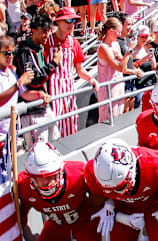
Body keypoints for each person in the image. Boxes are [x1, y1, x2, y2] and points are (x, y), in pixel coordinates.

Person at [46, 7, 100, 138]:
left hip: (68, 89)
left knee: (71, 123)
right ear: (58, 22)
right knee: (54, 128)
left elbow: (79, 70)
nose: (71, 24)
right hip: (51, 90)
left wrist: (91, 79)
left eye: (73, 21)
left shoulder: (74, 43)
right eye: (67, 20)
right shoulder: (47, 41)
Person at [15, 14, 61, 147]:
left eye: (48, 32)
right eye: (43, 32)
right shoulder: (26, 52)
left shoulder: (39, 49)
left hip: (43, 107)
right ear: (33, 31)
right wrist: (54, 63)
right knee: (39, 152)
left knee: (53, 145)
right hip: (33, 112)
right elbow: (34, 80)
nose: (46, 36)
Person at [96, 18, 142, 123]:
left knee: (119, 116)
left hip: (119, 85)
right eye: (118, 31)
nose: (120, 34)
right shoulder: (103, 48)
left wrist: (135, 71)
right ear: (110, 30)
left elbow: (123, 66)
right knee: (108, 118)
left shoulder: (116, 44)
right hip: (108, 89)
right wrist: (129, 50)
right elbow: (119, 67)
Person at [0, 34, 34, 142]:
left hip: (11, 132)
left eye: (12, 53)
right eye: (6, 53)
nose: (10, 56)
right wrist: (18, 84)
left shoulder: (11, 73)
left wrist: (40, 95)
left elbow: (22, 93)